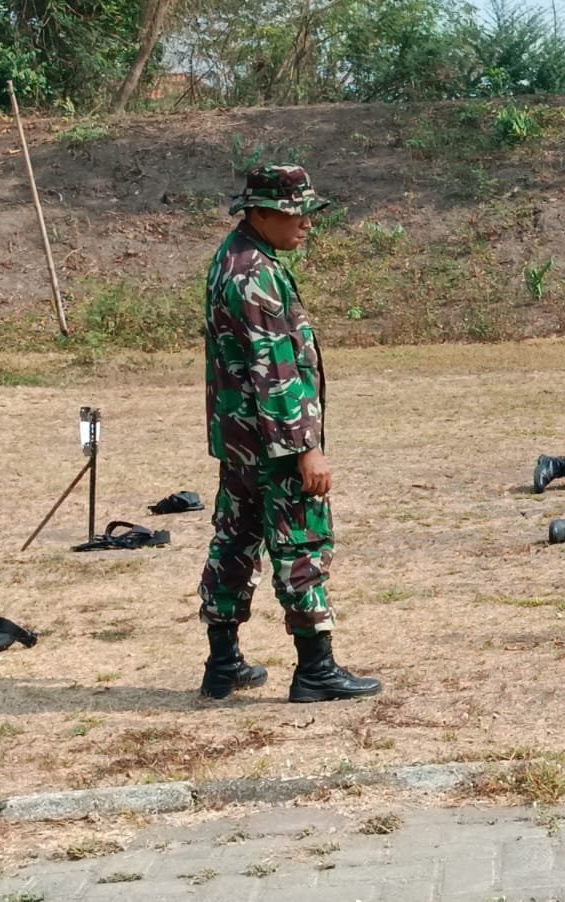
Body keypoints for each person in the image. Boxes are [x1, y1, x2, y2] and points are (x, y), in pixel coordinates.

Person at [198, 163, 381, 704]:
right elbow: (274, 372)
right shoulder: (254, 273)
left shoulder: (233, 259)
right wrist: (307, 450)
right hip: (274, 446)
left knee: (233, 542)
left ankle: (223, 663)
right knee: (300, 544)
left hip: (240, 443)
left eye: (308, 212)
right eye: (294, 212)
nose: (305, 223)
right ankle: (316, 670)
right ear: (258, 212)